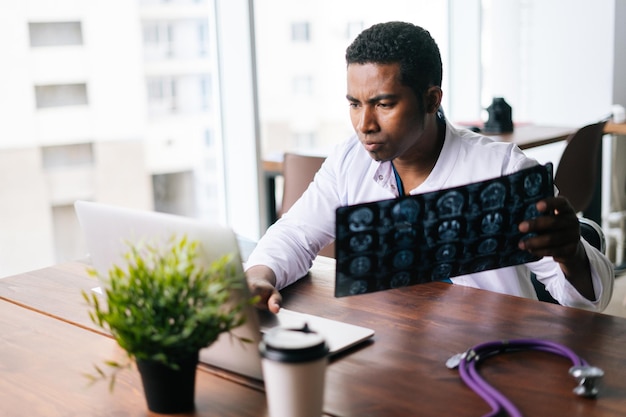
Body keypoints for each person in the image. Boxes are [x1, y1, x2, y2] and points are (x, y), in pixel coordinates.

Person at [245, 21, 614, 314]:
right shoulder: (348, 160)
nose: (364, 124)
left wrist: (572, 255)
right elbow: (295, 234)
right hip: (389, 349)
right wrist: (260, 276)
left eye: (383, 104)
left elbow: (589, 302)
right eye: (355, 104)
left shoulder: (503, 169)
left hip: (492, 354)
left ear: (430, 99)